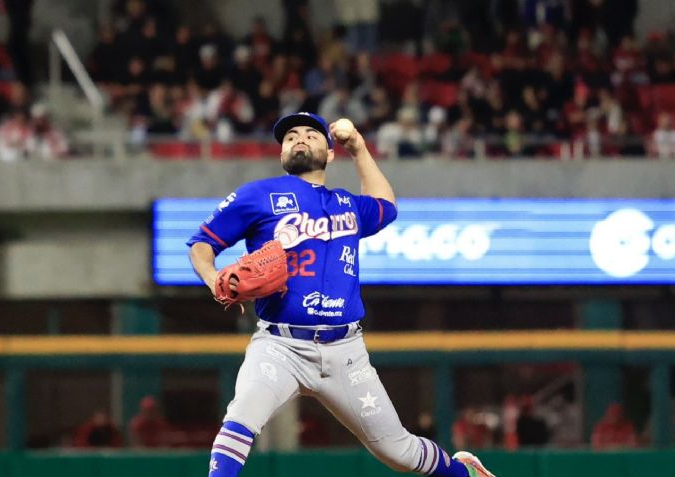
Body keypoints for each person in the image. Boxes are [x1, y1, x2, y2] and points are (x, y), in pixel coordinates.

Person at [187, 112, 496, 477]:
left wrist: (360, 148)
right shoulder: (258, 195)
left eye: (310, 134)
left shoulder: (347, 203)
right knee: (240, 419)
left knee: (398, 452)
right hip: (280, 345)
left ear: (330, 153)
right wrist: (213, 279)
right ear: (283, 153)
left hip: (345, 349)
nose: (299, 139)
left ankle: (465, 473)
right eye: (290, 137)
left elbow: (386, 205)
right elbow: (201, 243)